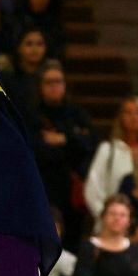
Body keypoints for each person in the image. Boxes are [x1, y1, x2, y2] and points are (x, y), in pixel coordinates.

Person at [22, 64, 93, 249]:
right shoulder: (31, 115)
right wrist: (71, 144)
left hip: (71, 192)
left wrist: (64, 139)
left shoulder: (77, 114)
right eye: (49, 82)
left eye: (58, 81)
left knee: (72, 241)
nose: (54, 86)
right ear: (40, 86)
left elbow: (89, 145)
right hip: (43, 187)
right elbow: (36, 150)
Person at [83, 95, 138, 219]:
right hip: (113, 220)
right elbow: (93, 187)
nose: (133, 117)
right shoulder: (108, 149)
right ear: (120, 117)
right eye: (128, 112)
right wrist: (105, 216)